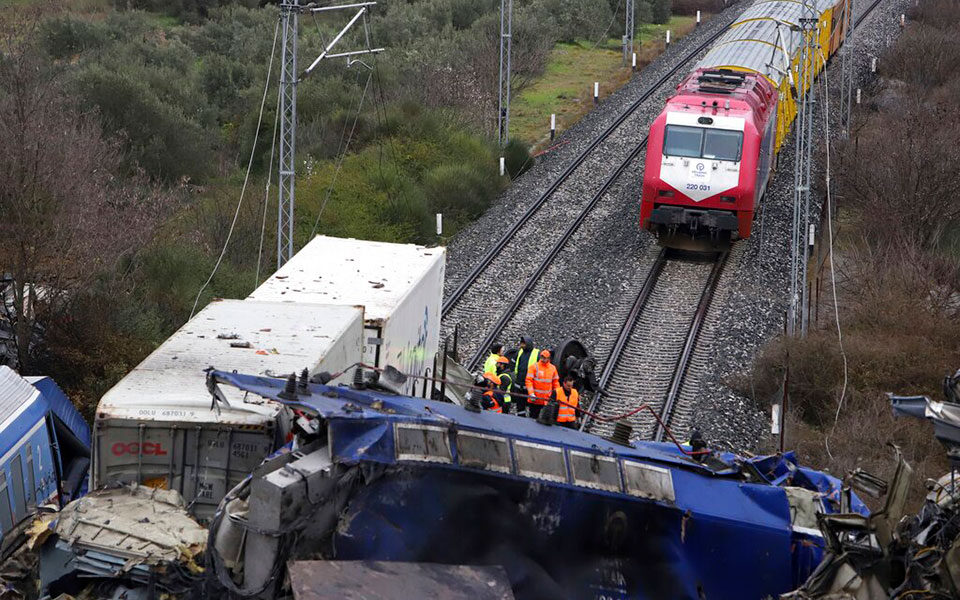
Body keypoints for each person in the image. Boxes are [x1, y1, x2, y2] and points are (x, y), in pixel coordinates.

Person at [525, 349, 559, 420]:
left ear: (548, 358)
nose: (543, 359)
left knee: (544, 420)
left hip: (546, 400)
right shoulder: (534, 367)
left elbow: (555, 383)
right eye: (542, 357)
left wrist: (557, 395)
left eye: (545, 357)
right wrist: (531, 393)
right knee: (533, 419)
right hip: (535, 400)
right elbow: (528, 381)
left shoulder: (552, 368)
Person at [511, 336, 539, 416]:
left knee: (533, 407)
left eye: (523, 343)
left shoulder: (537, 353)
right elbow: (512, 362)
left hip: (530, 386)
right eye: (521, 343)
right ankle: (521, 419)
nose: (521, 345)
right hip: (519, 385)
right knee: (520, 406)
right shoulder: (519, 352)